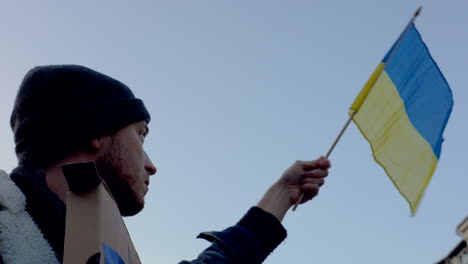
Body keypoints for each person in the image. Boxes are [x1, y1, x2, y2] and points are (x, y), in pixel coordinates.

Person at [0, 65, 331, 264]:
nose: (151, 165)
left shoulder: (99, 249)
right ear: (96, 131)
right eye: (141, 135)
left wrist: (283, 193)